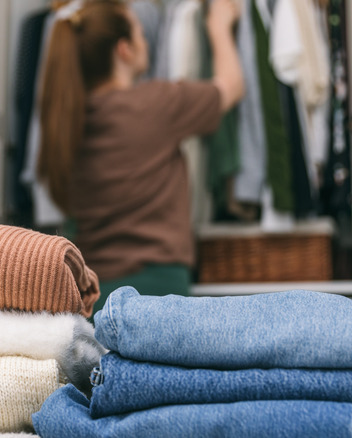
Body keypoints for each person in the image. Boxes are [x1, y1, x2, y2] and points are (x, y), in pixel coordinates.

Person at [38, 0, 244, 314]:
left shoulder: (66, 122)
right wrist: (218, 24)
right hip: (158, 294)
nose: (146, 40)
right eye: (140, 33)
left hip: (91, 298)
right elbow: (231, 86)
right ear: (124, 50)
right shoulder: (157, 104)